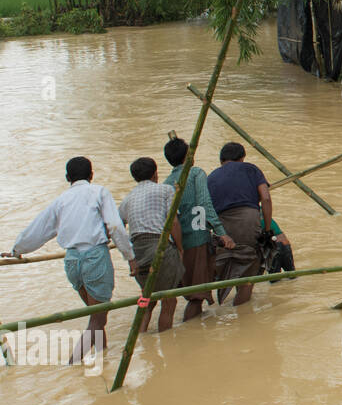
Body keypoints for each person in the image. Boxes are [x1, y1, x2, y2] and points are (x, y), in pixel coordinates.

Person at [3, 157, 136, 365]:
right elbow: (116, 227)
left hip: (72, 260)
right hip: (94, 258)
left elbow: (39, 229)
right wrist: (130, 257)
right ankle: (72, 364)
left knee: (97, 317)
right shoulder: (99, 192)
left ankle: (103, 359)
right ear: (91, 175)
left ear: (67, 178)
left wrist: (17, 250)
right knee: (98, 318)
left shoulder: (61, 200)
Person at [162, 136, 235, 299]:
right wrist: (221, 232)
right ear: (188, 155)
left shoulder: (167, 183)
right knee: (197, 297)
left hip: (180, 244)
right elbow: (204, 204)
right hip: (198, 238)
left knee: (191, 292)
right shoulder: (195, 173)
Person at [118, 157, 186, 332]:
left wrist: (129, 257)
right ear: (155, 174)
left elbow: (117, 228)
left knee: (147, 298)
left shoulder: (127, 199)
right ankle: (165, 339)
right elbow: (173, 223)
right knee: (169, 299)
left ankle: (141, 339)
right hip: (159, 247)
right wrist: (179, 248)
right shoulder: (165, 190)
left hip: (137, 251)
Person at [208, 142, 272, 307]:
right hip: (248, 221)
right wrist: (267, 230)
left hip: (222, 227)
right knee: (248, 273)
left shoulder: (212, 177)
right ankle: (242, 313)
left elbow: (207, 209)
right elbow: (265, 198)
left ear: (222, 160)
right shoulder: (251, 169)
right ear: (242, 158)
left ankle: (232, 308)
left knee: (230, 264)